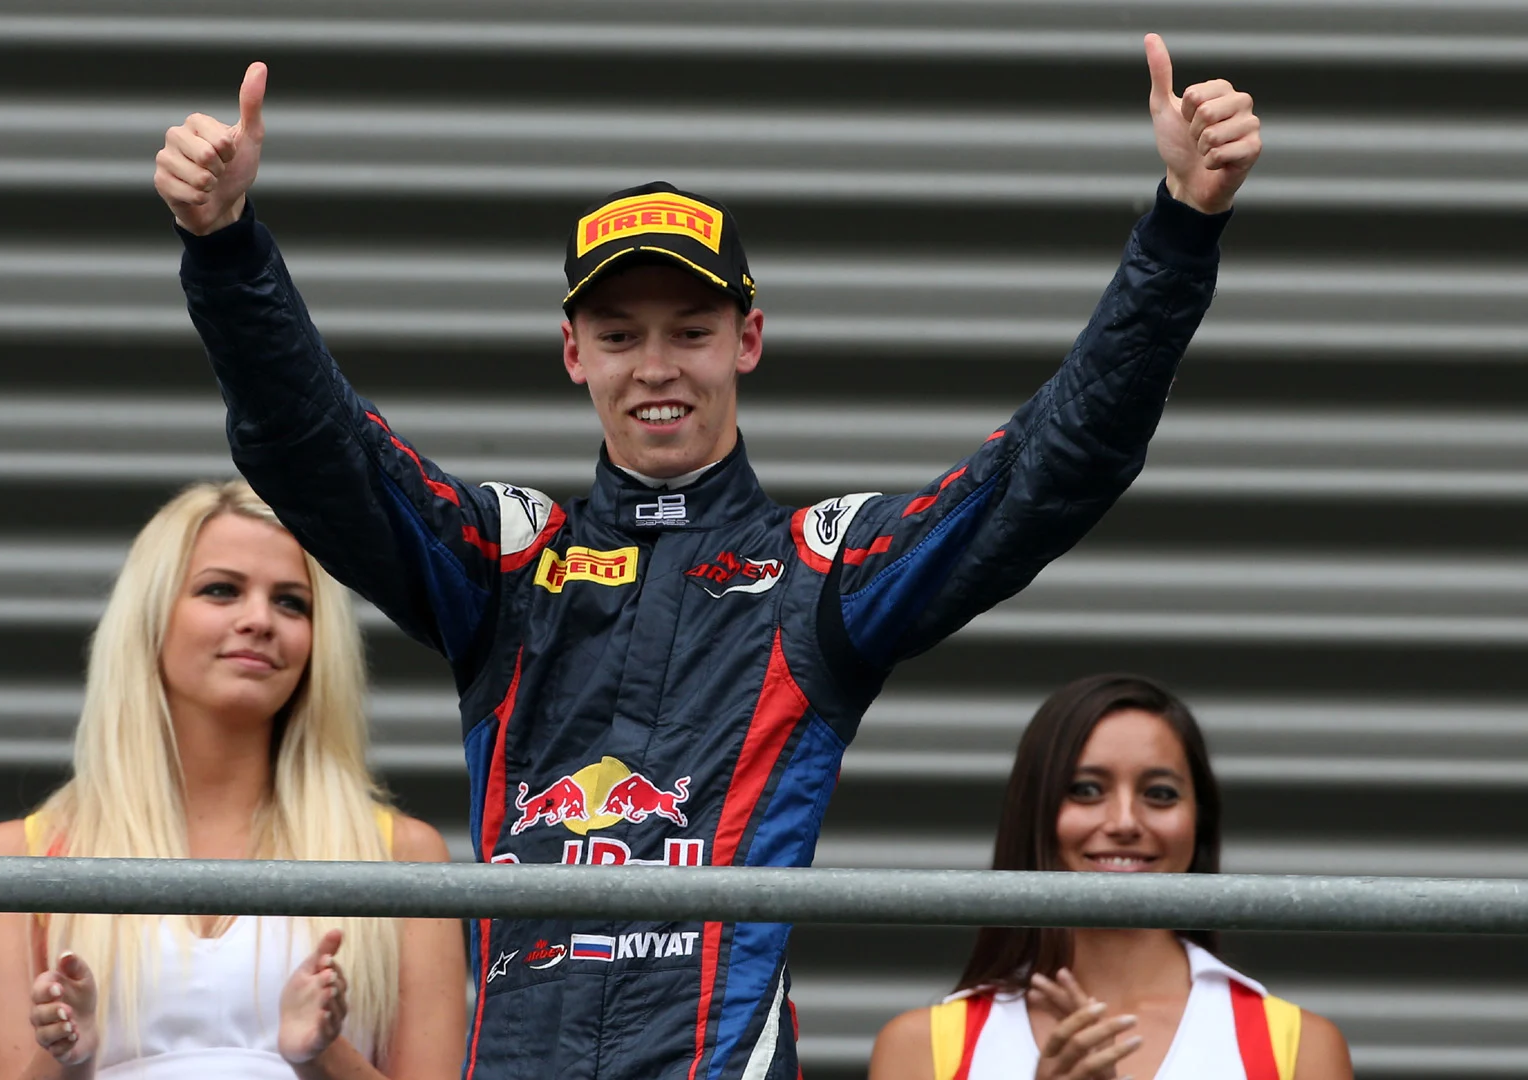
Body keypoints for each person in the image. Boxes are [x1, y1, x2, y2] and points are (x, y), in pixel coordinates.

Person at [154, 32, 1262, 1080]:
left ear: (748, 340)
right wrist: (226, 246)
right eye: (621, 335)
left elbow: (1045, 474)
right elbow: (319, 455)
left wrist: (1178, 229)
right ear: (571, 352)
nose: (656, 367)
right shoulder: (509, 566)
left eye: (690, 329)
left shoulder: (819, 573)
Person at [0, 480, 466, 1080]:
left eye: (291, 602)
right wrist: (68, 1060)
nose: (258, 620)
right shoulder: (18, 860)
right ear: (150, 618)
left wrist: (321, 1053)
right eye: (221, 590)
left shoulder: (402, 858)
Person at [868, 674, 1352, 1080]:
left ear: (1198, 821)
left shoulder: (1300, 1049)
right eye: (1085, 790)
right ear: (1035, 812)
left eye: (1160, 794)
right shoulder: (922, 1051)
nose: (1124, 822)